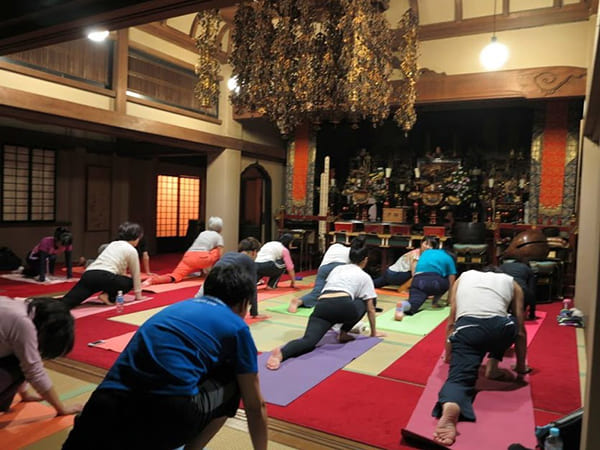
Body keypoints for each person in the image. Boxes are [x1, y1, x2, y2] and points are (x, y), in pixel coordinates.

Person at [62, 263, 268, 450]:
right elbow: (255, 405)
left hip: (101, 407)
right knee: (235, 380)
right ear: (244, 303)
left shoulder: (173, 309)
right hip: (165, 418)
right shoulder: (236, 327)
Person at [432, 267, 529, 446]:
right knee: (509, 323)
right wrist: (521, 368)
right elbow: (521, 331)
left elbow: (452, 321)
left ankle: (452, 405)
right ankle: (492, 367)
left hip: (468, 329)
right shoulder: (512, 282)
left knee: (458, 380)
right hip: (501, 329)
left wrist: (448, 355)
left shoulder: (463, 278)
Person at [266, 238, 385, 370]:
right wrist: (373, 332)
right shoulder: (365, 277)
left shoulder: (337, 269)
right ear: (365, 260)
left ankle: (282, 353)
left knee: (308, 341)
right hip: (344, 307)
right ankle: (343, 332)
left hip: (322, 307)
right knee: (369, 299)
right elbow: (371, 309)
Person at [0, 296, 81, 416]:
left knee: (19, 359)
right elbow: (34, 370)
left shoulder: (19, 305)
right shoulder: (22, 322)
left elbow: (23, 359)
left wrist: (24, 393)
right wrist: (61, 409)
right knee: (24, 360)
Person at [61, 222, 143, 309]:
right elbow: (136, 274)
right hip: (105, 277)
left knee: (68, 302)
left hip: (89, 274)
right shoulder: (131, 250)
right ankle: (108, 296)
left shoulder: (112, 244)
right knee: (129, 282)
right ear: (136, 238)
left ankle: (51, 306)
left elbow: (119, 271)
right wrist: (138, 296)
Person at [195, 237, 268, 319]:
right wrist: (254, 312)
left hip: (209, 281)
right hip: (225, 285)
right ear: (254, 252)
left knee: (198, 304)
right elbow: (252, 288)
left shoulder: (228, 254)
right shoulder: (249, 262)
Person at [287, 237, 363, 313]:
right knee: (341, 291)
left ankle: (299, 301)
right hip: (339, 268)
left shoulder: (335, 246)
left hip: (323, 268)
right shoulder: (354, 252)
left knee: (316, 292)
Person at [144, 216, 224, 285]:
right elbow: (219, 254)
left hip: (188, 257)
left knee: (175, 275)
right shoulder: (218, 236)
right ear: (220, 227)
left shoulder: (202, 233)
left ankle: (152, 280)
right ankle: (213, 274)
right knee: (217, 251)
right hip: (203, 259)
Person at [394, 241, 457, 321]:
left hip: (417, 280)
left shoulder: (427, 252)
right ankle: (435, 303)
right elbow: (451, 281)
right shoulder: (449, 258)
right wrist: (449, 300)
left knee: (413, 303)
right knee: (445, 279)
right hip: (435, 282)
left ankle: (403, 305)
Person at [372, 236, 437, 289]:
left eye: (431, 246)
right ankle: (402, 289)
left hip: (391, 274)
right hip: (394, 274)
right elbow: (414, 274)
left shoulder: (425, 255)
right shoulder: (415, 255)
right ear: (421, 243)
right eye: (426, 244)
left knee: (373, 284)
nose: (428, 247)